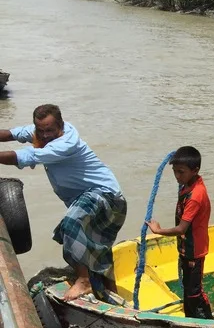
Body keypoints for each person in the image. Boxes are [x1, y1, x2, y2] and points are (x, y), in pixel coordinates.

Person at [0, 104, 126, 301]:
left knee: (70, 225)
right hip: (89, 199)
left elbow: (25, 156)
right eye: (40, 130)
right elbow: (11, 134)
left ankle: (83, 281)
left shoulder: (66, 144)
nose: (45, 135)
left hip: (106, 197)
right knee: (98, 253)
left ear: (60, 124)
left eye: (49, 130)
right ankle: (112, 295)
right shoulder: (40, 133)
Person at [146, 146, 213, 320]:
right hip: (186, 247)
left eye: (181, 172)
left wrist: (158, 230)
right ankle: (190, 319)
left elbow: (181, 229)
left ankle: (207, 323)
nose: (177, 176)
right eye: (175, 172)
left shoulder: (195, 196)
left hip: (194, 251)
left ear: (195, 170)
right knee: (189, 289)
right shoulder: (189, 185)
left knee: (194, 294)